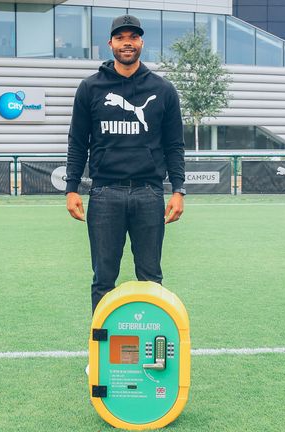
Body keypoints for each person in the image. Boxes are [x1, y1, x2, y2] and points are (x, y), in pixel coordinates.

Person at [65, 14, 186, 314]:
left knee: (151, 279)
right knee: (104, 281)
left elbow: (174, 145)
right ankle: (100, 357)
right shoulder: (90, 88)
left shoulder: (163, 90)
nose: (127, 43)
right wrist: (71, 188)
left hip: (149, 193)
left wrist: (179, 190)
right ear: (111, 44)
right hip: (105, 194)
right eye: (120, 37)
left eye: (133, 37)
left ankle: (150, 355)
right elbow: (78, 142)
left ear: (141, 42)